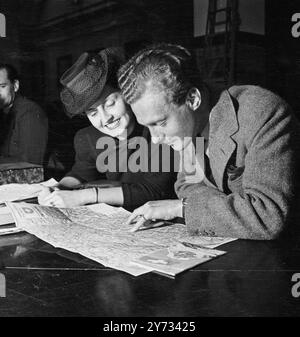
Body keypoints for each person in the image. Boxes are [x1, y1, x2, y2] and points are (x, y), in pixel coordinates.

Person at [119, 43, 300, 239]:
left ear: (193, 99)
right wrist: (232, 210)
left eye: (160, 122)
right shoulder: (189, 124)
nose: (155, 139)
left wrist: (183, 208)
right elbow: (185, 185)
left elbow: (267, 216)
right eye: (148, 126)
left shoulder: (263, 112)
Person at [38, 48, 177, 211]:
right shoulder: (88, 137)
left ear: (127, 93)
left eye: (110, 104)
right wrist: (59, 188)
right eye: (93, 112)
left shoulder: (158, 130)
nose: (105, 119)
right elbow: (82, 173)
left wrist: (84, 196)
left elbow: (152, 191)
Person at [0, 64, 48, 165]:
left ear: (15, 86)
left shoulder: (30, 112)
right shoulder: (4, 111)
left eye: (2, 86)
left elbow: (30, 162)